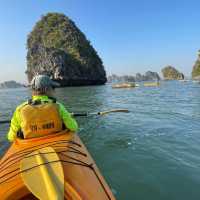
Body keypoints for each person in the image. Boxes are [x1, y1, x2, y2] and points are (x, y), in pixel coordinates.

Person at [7, 74, 78, 142]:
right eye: (53, 88)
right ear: (46, 89)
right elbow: (74, 127)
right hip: (57, 143)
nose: (54, 91)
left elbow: (11, 137)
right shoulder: (58, 106)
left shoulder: (20, 109)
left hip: (31, 147)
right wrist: (68, 117)